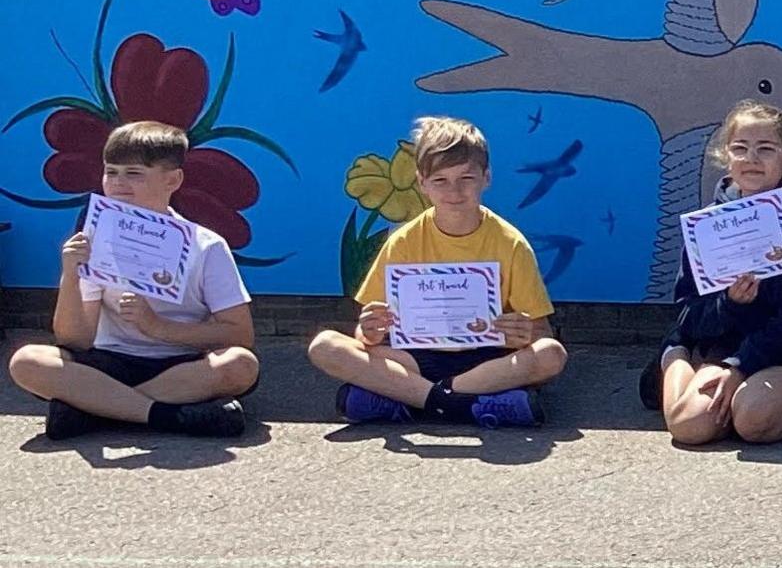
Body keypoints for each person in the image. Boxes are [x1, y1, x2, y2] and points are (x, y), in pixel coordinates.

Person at [308, 116, 567, 428]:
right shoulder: (403, 240)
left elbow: (541, 333)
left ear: (487, 178)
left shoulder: (510, 243)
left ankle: (409, 401)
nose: (454, 191)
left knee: (551, 354)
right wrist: (371, 329)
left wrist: (525, 332)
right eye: (440, 181)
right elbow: (366, 333)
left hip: (487, 358)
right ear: (422, 183)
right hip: (415, 358)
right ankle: (458, 405)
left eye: (466, 179)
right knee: (325, 347)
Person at [8, 121, 258, 439]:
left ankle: (96, 408)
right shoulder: (93, 241)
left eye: (134, 173)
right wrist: (71, 276)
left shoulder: (206, 244)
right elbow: (76, 340)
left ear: (173, 179)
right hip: (107, 362)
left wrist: (158, 328)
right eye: (110, 172)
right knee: (27, 361)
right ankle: (163, 415)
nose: (118, 184)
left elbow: (240, 334)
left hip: (180, 364)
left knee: (240, 365)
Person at [640, 100, 782, 445]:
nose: (751, 158)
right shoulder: (709, 223)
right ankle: (674, 358)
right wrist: (730, 304)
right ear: (726, 157)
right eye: (740, 148)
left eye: (765, 149)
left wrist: (742, 364)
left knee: (754, 423)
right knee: (689, 427)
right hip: (722, 349)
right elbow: (689, 316)